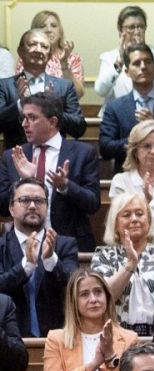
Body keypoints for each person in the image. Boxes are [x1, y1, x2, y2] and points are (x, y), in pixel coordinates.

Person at [0, 94, 99, 258]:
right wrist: (23, 182)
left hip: (69, 247)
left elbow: (93, 203)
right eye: (23, 118)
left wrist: (65, 186)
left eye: (31, 118)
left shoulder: (83, 153)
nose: (25, 124)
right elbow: (3, 207)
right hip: (22, 248)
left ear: (52, 122)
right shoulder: (13, 156)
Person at [91, 193, 154, 337]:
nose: (134, 219)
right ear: (115, 224)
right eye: (126, 215)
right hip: (117, 337)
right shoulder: (104, 255)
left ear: (149, 221)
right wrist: (130, 265)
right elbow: (104, 298)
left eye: (140, 214)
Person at [0, 180, 74, 341]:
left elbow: (74, 287)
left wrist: (51, 261)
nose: (32, 206)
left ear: (47, 207)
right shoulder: (1, 246)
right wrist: (25, 267)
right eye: (25, 200)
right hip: (8, 341)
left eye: (39, 201)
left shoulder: (64, 245)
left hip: (58, 339)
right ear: (11, 209)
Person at [97, 45, 154, 167]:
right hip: (128, 176)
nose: (143, 67)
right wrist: (138, 140)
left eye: (148, 62)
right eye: (136, 63)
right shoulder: (114, 108)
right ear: (127, 72)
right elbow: (105, 149)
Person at [0, 32, 85, 151]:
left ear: (49, 55)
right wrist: (20, 104)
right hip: (17, 159)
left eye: (44, 47)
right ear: (21, 52)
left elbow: (79, 128)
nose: (38, 50)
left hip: (55, 163)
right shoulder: (4, 85)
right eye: (33, 44)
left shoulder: (65, 86)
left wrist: (51, 109)